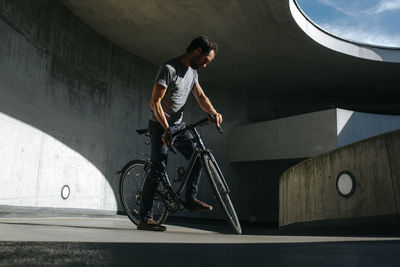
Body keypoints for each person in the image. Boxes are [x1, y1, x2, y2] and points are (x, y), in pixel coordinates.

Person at [138, 36, 223, 231]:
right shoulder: (169, 69)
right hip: (160, 125)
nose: (205, 65)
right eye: (205, 60)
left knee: (198, 158)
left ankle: (189, 198)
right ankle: (145, 218)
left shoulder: (192, 73)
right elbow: (155, 103)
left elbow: (200, 96)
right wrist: (166, 129)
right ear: (197, 51)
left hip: (178, 126)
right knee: (158, 168)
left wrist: (213, 112)